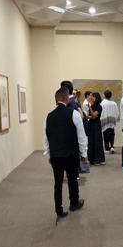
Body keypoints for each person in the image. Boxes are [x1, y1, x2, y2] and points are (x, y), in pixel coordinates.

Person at [44, 87, 87, 219]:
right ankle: (74, 203)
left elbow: (46, 136)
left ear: (56, 99)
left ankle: (59, 209)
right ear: (67, 98)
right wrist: (84, 154)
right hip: (71, 154)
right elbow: (81, 136)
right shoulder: (74, 114)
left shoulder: (49, 116)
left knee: (58, 182)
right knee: (72, 179)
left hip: (55, 155)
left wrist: (48, 154)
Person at [84, 92, 105, 166]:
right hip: (91, 125)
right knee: (91, 142)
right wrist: (88, 115)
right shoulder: (92, 106)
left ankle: (98, 160)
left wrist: (90, 108)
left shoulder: (99, 106)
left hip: (96, 126)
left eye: (93, 96)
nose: (91, 98)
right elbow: (89, 116)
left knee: (97, 142)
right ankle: (91, 160)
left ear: (96, 98)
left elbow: (94, 116)